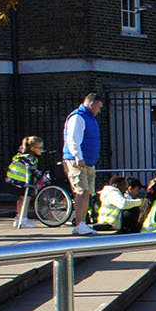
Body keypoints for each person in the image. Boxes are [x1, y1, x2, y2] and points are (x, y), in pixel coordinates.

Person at [62, 93, 104, 235]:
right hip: (78, 161)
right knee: (81, 191)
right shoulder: (78, 117)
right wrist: (78, 156)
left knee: (87, 193)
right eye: (98, 107)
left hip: (87, 160)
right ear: (91, 104)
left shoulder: (88, 118)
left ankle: (82, 222)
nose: (99, 111)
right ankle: (79, 223)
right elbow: (73, 139)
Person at [6, 135, 45, 229]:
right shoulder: (29, 158)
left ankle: (19, 218)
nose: (41, 149)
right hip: (19, 179)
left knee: (21, 198)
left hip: (13, 179)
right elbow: (34, 170)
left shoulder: (21, 155)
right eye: (39, 147)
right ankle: (23, 219)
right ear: (32, 148)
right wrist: (43, 178)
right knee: (26, 198)